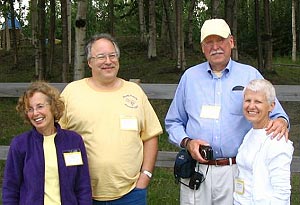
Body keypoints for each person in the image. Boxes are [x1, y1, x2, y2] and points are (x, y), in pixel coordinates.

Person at [165, 18, 290, 205]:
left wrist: (281, 121)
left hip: (235, 171)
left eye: (220, 40)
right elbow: (173, 122)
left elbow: (277, 112)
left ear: (231, 41)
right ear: (202, 47)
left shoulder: (250, 75)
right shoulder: (189, 78)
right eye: (209, 42)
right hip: (196, 169)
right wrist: (187, 142)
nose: (215, 47)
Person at [59, 33, 163, 205]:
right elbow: (54, 137)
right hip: (81, 193)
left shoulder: (135, 92)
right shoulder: (72, 92)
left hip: (131, 194)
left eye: (112, 55)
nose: (108, 61)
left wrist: (145, 176)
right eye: (101, 56)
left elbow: (150, 135)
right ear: (90, 62)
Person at [2, 81, 92, 205]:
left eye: (40, 106)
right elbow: (10, 189)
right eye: (30, 109)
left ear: (52, 106)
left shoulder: (74, 141)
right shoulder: (20, 144)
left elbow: (83, 186)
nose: (35, 113)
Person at [233, 79, 293, 204]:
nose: (251, 106)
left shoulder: (276, 141)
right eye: (248, 100)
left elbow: (282, 192)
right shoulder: (250, 134)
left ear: (271, 106)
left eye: (258, 102)